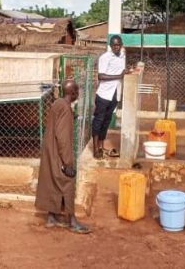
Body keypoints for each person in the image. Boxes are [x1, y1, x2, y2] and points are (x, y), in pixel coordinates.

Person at [35, 79, 91, 234]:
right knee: (67, 181)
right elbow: (63, 138)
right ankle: (72, 220)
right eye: (77, 91)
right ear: (73, 93)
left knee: (53, 181)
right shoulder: (65, 109)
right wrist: (67, 163)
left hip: (49, 150)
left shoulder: (58, 103)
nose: (78, 94)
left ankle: (51, 217)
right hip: (58, 152)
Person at [92, 35, 128, 159]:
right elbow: (101, 76)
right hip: (103, 94)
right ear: (110, 46)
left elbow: (122, 71)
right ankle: (96, 148)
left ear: (121, 45)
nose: (116, 47)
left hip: (115, 94)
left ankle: (101, 145)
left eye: (118, 45)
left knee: (107, 121)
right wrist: (119, 75)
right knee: (98, 120)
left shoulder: (123, 56)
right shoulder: (105, 57)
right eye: (114, 45)